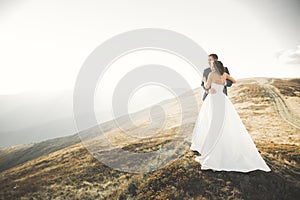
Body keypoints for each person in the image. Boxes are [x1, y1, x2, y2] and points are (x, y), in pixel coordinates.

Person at [190, 61, 271, 172]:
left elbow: (207, 86)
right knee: (226, 122)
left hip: (214, 100)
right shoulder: (224, 74)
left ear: (215, 67)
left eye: (213, 66)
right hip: (223, 99)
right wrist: (223, 82)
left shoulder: (211, 75)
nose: (212, 68)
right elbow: (234, 81)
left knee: (213, 123)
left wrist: (204, 82)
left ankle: (214, 149)